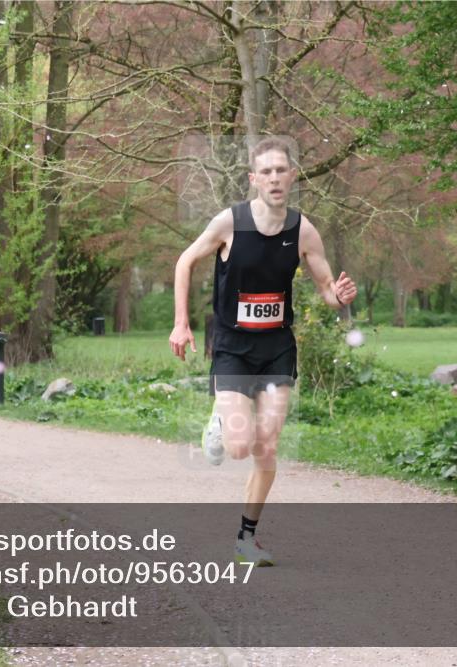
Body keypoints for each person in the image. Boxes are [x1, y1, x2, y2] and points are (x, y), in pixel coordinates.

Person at [169, 137, 357, 566]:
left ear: (292, 177)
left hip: (276, 347)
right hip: (233, 347)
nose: (274, 178)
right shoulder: (229, 223)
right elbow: (185, 262)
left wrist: (339, 296)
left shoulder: (303, 230)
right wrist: (181, 323)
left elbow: (328, 289)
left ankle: (245, 539)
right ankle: (219, 422)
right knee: (238, 447)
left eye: (281, 170)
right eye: (266, 171)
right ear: (254, 179)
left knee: (267, 446)